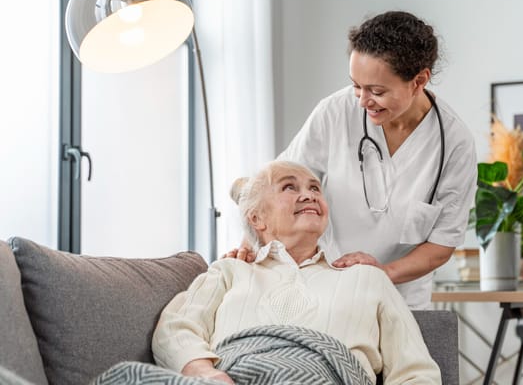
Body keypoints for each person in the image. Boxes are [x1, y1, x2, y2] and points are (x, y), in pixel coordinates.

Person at [228, 11, 477, 309]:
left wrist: (380, 273)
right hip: (321, 289)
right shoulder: (335, 112)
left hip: (399, 300)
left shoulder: (454, 144)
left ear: (419, 80)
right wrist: (250, 244)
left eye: (377, 91)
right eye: (357, 85)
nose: (361, 101)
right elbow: (276, 186)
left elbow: (440, 246)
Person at [152, 161, 442, 384]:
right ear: (257, 218)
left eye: (315, 188)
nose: (309, 195)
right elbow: (175, 328)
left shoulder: (366, 277)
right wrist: (205, 373)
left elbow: (415, 370)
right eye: (289, 187)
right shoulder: (229, 271)